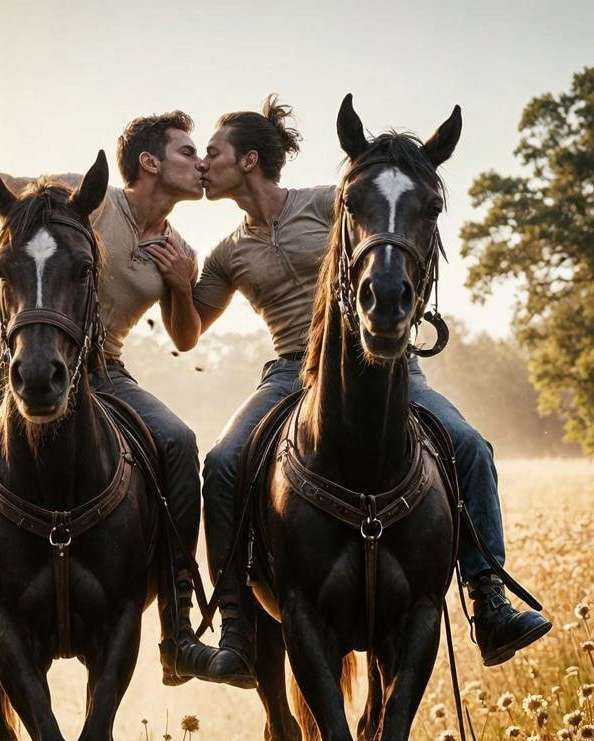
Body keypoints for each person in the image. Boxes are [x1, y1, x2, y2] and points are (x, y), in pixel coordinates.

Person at [0, 88, 243, 694]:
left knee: (177, 440)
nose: (201, 164)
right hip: (11, 356)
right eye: (187, 152)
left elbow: (185, 336)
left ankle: (178, 633)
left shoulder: (179, 248)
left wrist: (181, 281)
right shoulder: (82, 197)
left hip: (103, 369)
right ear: (149, 162)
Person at [191, 96, 551, 678]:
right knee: (224, 462)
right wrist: (171, 274)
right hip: (289, 372)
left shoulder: (330, 201)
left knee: (470, 446)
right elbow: (188, 330)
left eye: (212, 153)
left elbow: (392, 220)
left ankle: (488, 599)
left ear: (249, 160)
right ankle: (235, 626)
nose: (203, 165)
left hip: (384, 367)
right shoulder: (227, 252)